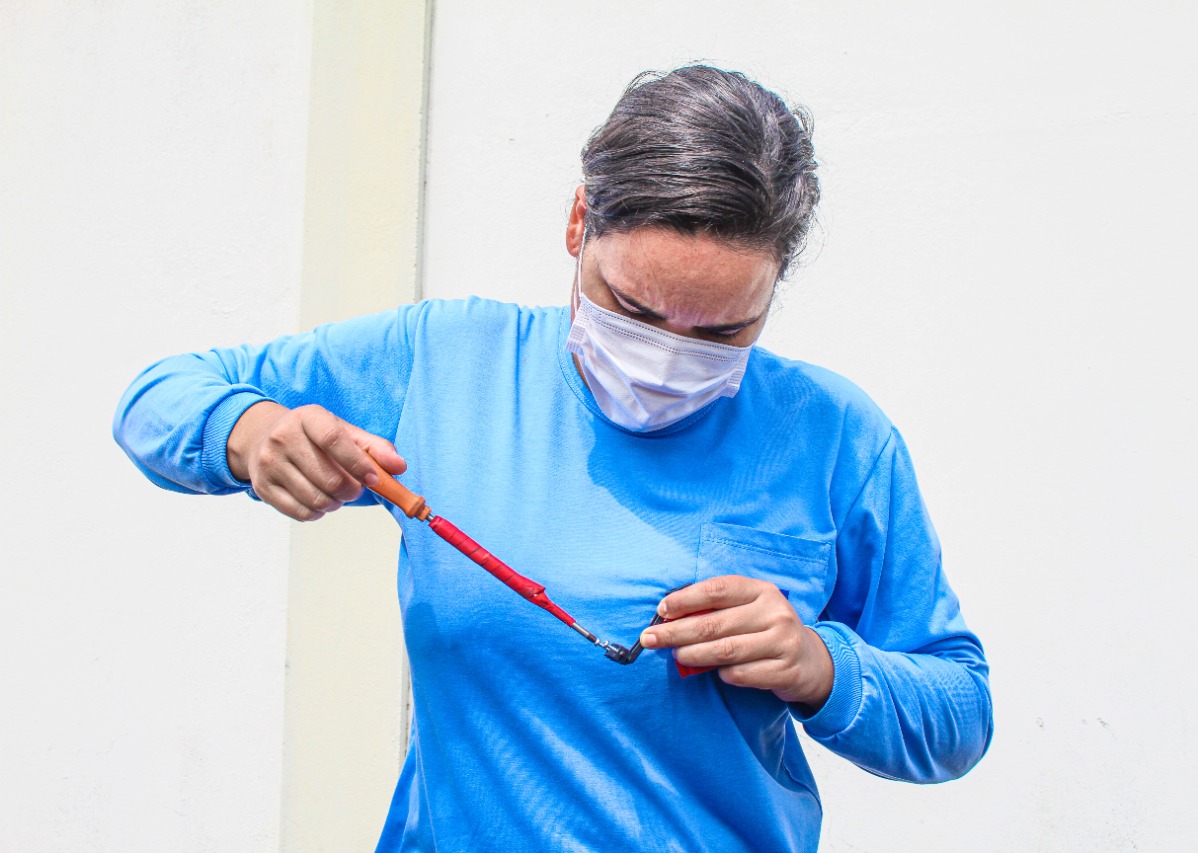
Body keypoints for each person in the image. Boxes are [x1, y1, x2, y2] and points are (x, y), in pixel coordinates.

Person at [114, 65, 992, 853]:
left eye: (723, 330)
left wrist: (823, 667)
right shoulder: (447, 362)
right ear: (579, 223)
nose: (668, 355)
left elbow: (959, 711)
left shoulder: (835, 436)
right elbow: (156, 397)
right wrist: (247, 427)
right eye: (634, 310)